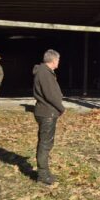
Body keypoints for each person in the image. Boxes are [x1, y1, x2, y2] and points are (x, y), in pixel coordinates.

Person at [33, 49, 65, 186]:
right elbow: (50, 94)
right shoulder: (44, 73)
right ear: (53, 60)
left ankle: (44, 172)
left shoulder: (44, 72)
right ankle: (42, 175)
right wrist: (61, 107)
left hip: (46, 111)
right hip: (47, 112)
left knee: (46, 143)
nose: (58, 63)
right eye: (58, 60)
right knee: (45, 144)